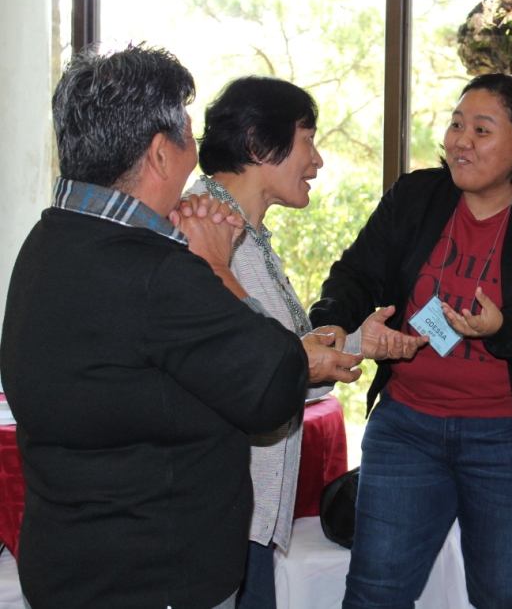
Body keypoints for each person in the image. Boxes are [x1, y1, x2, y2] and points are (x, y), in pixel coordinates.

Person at [0, 45, 357, 608]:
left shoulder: (48, 240)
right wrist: (215, 267)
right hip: (154, 576)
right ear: (161, 155)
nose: (198, 155)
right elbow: (273, 384)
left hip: (69, 563)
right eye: (189, 137)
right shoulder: (157, 272)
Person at [309, 73, 512, 609]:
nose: (461, 141)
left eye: (482, 130)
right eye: (456, 124)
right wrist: (333, 327)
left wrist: (503, 328)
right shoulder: (416, 197)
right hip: (407, 429)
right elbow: (355, 275)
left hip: (511, 439)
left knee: (507, 598)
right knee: (374, 593)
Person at [188, 76, 425, 609]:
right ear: (257, 144)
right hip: (214, 513)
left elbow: (279, 359)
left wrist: (358, 342)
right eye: (307, 140)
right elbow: (235, 369)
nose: (317, 160)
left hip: (247, 513)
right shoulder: (200, 229)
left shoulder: (245, 235)